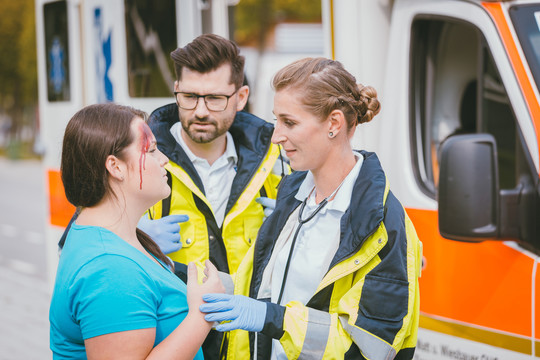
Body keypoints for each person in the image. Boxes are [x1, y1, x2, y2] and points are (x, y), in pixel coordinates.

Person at [200, 57, 423, 360]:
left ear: (334, 124)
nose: (276, 135)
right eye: (276, 120)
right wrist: (174, 270)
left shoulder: (384, 225)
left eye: (289, 122)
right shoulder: (293, 197)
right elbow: (251, 288)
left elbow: (366, 349)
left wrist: (272, 319)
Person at [49, 103, 224, 359]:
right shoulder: (110, 268)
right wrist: (201, 316)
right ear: (115, 167)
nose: (164, 159)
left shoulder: (105, 235)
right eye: (151, 150)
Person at [141, 33, 285, 274]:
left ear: (241, 98)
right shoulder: (138, 160)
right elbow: (79, 242)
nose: (200, 111)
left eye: (214, 99)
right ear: (176, 90)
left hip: (250, 312)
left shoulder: (276, 163)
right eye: (189, 97)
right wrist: (130, 238)